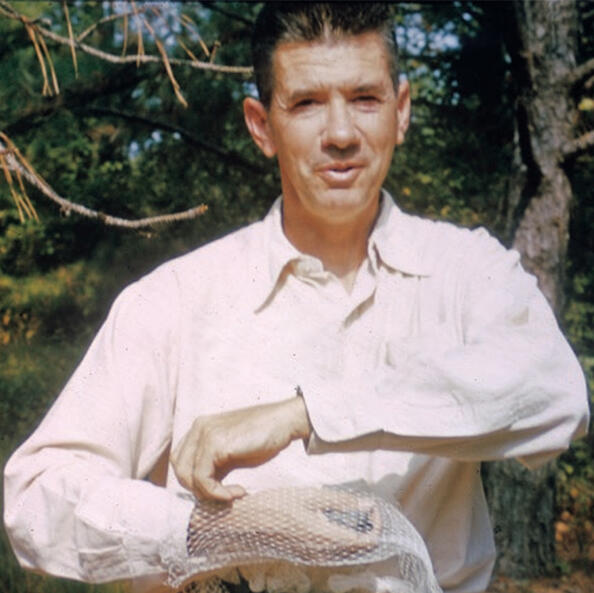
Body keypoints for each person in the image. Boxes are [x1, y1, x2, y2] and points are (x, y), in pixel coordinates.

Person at [3, 4, 589, 593]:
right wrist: (209, 532)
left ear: (401, 111)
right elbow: (34, 496)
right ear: (261, 126)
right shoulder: (176, 299)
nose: (340, 134)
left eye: (365, 98)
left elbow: (554, 394)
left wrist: (306, 414)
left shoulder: (466, 270)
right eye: (306, 103)